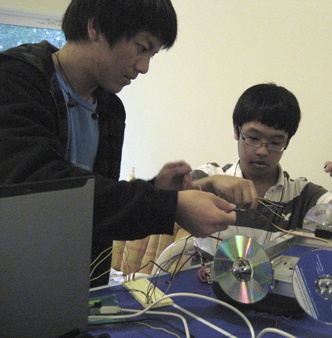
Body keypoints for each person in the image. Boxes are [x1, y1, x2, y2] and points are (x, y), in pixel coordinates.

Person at [0, 0, 236, 287]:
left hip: (76, 285)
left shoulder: (110, 108)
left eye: (153, 54)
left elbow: (96, 206)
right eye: (141, 47)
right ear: (96, 27)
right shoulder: (15, 81)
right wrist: (170, 206)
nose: (145, 67)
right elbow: (43, 189)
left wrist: (157, 190)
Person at [187, 83, 332, 257]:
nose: (262, 151)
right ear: (237, 131)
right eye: (253, 138)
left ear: (287, 142)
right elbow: (168, 201)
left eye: (276, 142)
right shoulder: (211, 175)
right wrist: (209, 184)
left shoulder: (301, 194)